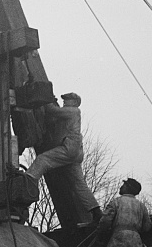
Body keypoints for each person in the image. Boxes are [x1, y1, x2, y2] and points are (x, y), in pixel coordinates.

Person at [21, 92, 101, 228]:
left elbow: (52, 111)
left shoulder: (73, 111)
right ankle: (96, 212)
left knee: (43, 159)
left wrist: (47, 100)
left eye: (67, 100)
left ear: (75, 102)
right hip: (76, 152)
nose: (65, 102)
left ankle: (26, 183)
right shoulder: (70, 114)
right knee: (78, 184)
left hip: (70, 148)